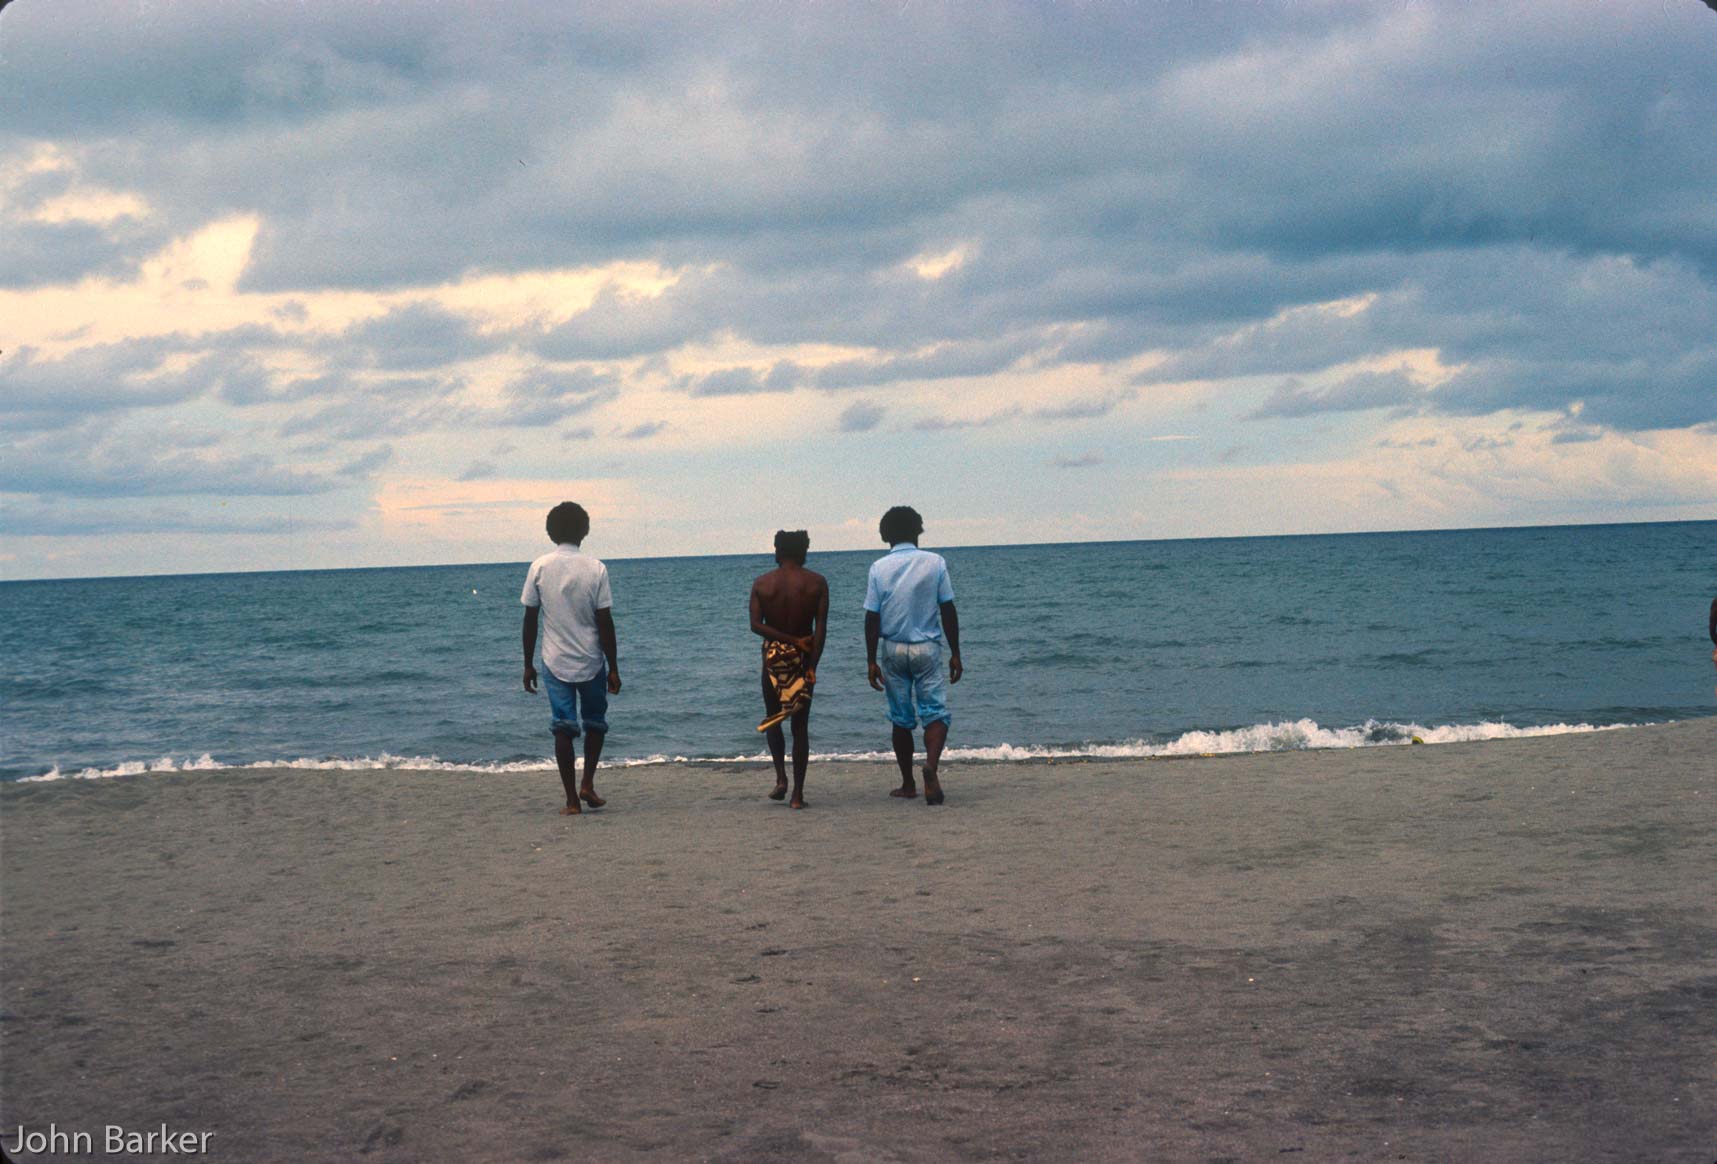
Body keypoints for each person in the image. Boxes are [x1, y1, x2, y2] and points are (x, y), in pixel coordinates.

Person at [520, 502, 621, 815]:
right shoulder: (596, 568)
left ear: (551, 532)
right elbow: (605, 621)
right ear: (584, 531)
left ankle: (572, 800)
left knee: (563, 727)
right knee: (595, 723)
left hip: (554, 660)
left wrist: (527, 664)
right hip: (591, 658)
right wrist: (614, 667)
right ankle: (587, 782)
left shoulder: (539, 567)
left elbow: (530, 619)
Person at [864, 506, 963, 806]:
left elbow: (872, 617)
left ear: (886, 536)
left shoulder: (878, 568)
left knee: (900, 718)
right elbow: (947, 609)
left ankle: (908, 784)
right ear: (918, 530)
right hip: (927, 648)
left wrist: (871, 660)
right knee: (935, 713)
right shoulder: (935, 562)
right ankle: (930, 765)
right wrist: (956, 652)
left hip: (893, 648)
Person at [749, 530, 828, 809]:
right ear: (804, 551)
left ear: (778, 550)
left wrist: (785, 640)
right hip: (802, 659)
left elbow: (755, 625)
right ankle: (797, 795)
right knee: (800, 726)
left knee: (773, 717)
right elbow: (821, 630)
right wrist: (812, 665)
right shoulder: (817, 583)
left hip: (772, 660)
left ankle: (781, 777)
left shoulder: (762, 583)